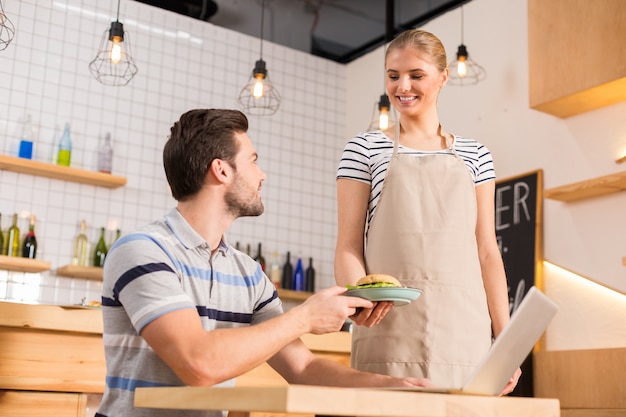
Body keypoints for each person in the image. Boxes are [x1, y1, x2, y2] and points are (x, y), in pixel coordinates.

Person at [95, 109, 431, 417]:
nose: (262, 174)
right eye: (253, 161)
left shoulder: (247, 273)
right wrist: (306, 316)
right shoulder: (142, 251)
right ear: (221, 170)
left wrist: (389, 386)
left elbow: (303, 368)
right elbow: (198, 363)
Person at [334, 29, 521, 395]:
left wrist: (507, 342)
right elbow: (348, 245)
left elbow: (486, 250)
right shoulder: (364, 148)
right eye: (393, 76)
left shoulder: (476, 155)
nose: (402, 86)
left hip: (465, 332)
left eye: (416, 75)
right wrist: (362, 301)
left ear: (442, 77)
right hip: (388, 326)